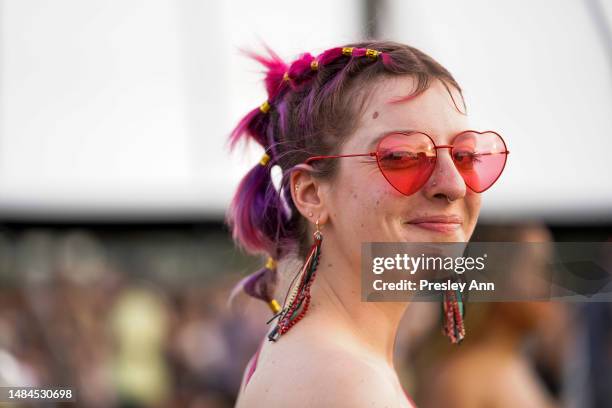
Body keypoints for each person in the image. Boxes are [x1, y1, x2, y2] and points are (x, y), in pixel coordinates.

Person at [226, 40, 509, 407]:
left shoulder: (316, 357)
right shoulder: (341, 383)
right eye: (403, 156)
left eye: (466, 155)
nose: (453, 184)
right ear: (311, 193)